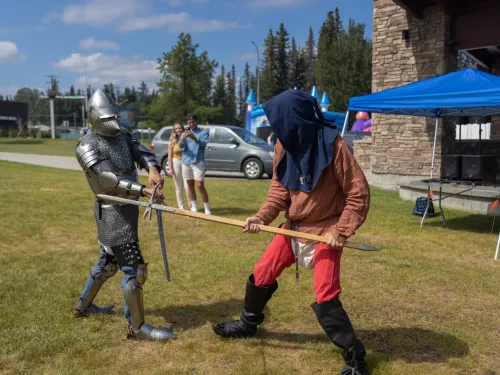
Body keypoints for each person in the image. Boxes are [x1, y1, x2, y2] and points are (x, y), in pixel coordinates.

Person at [213, 90, 371, 375]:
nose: (277, 130)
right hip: (293, 227)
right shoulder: (283, 145)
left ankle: (354, 358)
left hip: (325, 230)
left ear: (294, 120)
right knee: (263, 271)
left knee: (325, 293)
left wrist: (342, 230)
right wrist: (262, 217)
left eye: (280, 123)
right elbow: (279, 189)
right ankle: (248, 325)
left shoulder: (335, 146)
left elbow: (357, 193)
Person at [73, 88, 176, 342]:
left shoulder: (122, 136)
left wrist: (152, 167)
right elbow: (108, 180)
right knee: (135, 269)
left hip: (126, 209)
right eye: (108, 118)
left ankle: (83, 307)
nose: (114, 123)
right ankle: (137, 327)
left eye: (115, 117)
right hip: (111, 212)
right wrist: (142, 189)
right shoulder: (86, 145)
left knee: (108, 264)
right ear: (95, 117)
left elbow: (140, 151)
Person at [178, 114, 211, 214]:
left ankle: (207, 208)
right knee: (190, 185)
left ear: (196, 121)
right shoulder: (185, 132)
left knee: (200, 185)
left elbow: (204, 144)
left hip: (198, 161)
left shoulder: (203, 132)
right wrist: (183, 138)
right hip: (186, 161)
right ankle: (194, 208)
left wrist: (194, 138)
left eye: (193, 122)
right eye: (189, 123)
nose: (191, 124)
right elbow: (180, 146)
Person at [168, 122, 189, 210]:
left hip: (186, 162)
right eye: (176, 129)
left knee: (187, 185)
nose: (178, 130)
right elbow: (169, 156)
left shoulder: (187, 138)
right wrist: (170, 168)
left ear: (183, 128)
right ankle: (181, 206)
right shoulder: (172, 140)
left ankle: (192, 206)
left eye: (180, 128)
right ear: (174, 130)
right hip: (176, 161)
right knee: (178, 186)